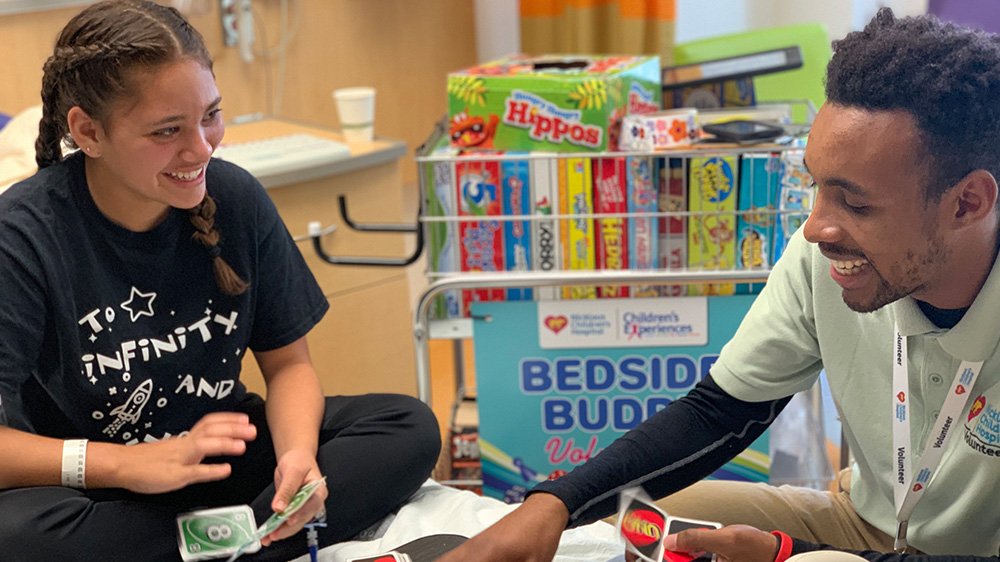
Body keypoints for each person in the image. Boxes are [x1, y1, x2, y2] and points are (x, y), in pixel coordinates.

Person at [438, 8, 1000, 562]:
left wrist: (788, 553)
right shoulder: (825, 258)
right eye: (816, 187)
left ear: (967, 203)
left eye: (854, 203)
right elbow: (720, 413)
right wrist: (556, 503)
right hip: (865, 524)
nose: (815, 229)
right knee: (622, 514)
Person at [0, 1, 440, 560]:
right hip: (100, 490)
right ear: (88, 131)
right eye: (167, 130)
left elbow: (289, 366)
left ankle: (227, 542)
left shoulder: (235, 198)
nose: (202, 148)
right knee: (12, 533)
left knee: (407, 425)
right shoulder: (22, 236)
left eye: (211, 115)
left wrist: (298, 458)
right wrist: (126, 464)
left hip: (224, 465)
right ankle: (247, 542)